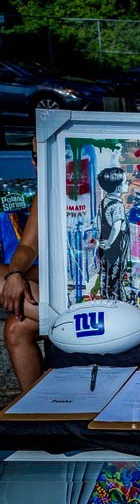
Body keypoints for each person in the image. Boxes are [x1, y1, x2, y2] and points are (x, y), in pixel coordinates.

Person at [0, 140, 41, 391]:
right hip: (59, 278)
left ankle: (67, 323)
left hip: (89, 284)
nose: (35, 163)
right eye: (34, 156)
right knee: (15, 328)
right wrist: (14, 273)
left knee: (15, 326)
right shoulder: (45, 191)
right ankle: (35, 409)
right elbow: (28, 247)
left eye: (41, 154)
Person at [97, 167, 131, 300]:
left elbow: (100, 222)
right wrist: (110, 243)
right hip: (115, 245)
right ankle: (114, 298)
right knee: (115, 272)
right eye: (126, 182)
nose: (128, 183)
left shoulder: (104, 202)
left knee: (105, 270)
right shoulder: (117, 205)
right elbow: (116, 227)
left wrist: (102, 241)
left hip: (104, 242)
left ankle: (104, 294)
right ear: (118, 188)